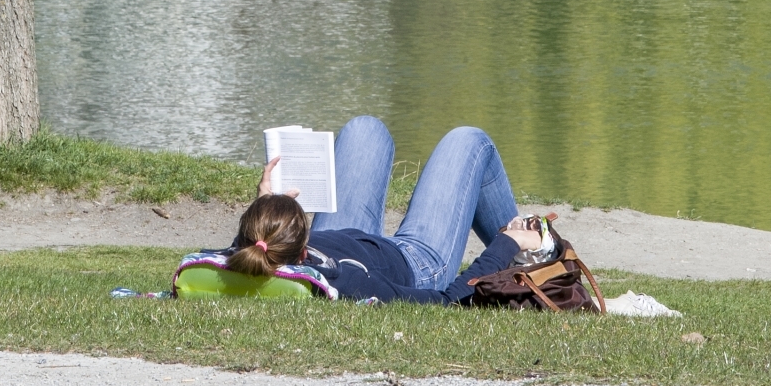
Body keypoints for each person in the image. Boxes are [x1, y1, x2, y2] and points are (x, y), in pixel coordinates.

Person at [220, 117, 547, 303]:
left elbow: (237, 250)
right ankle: (533, 254)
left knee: (365, 129)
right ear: (302, 253)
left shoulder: (242, 254)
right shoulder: (344, 282)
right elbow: (447, 302)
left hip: (342, 236)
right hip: (415, 263)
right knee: (471, 141)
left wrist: (266, 208)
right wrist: (506, 242)